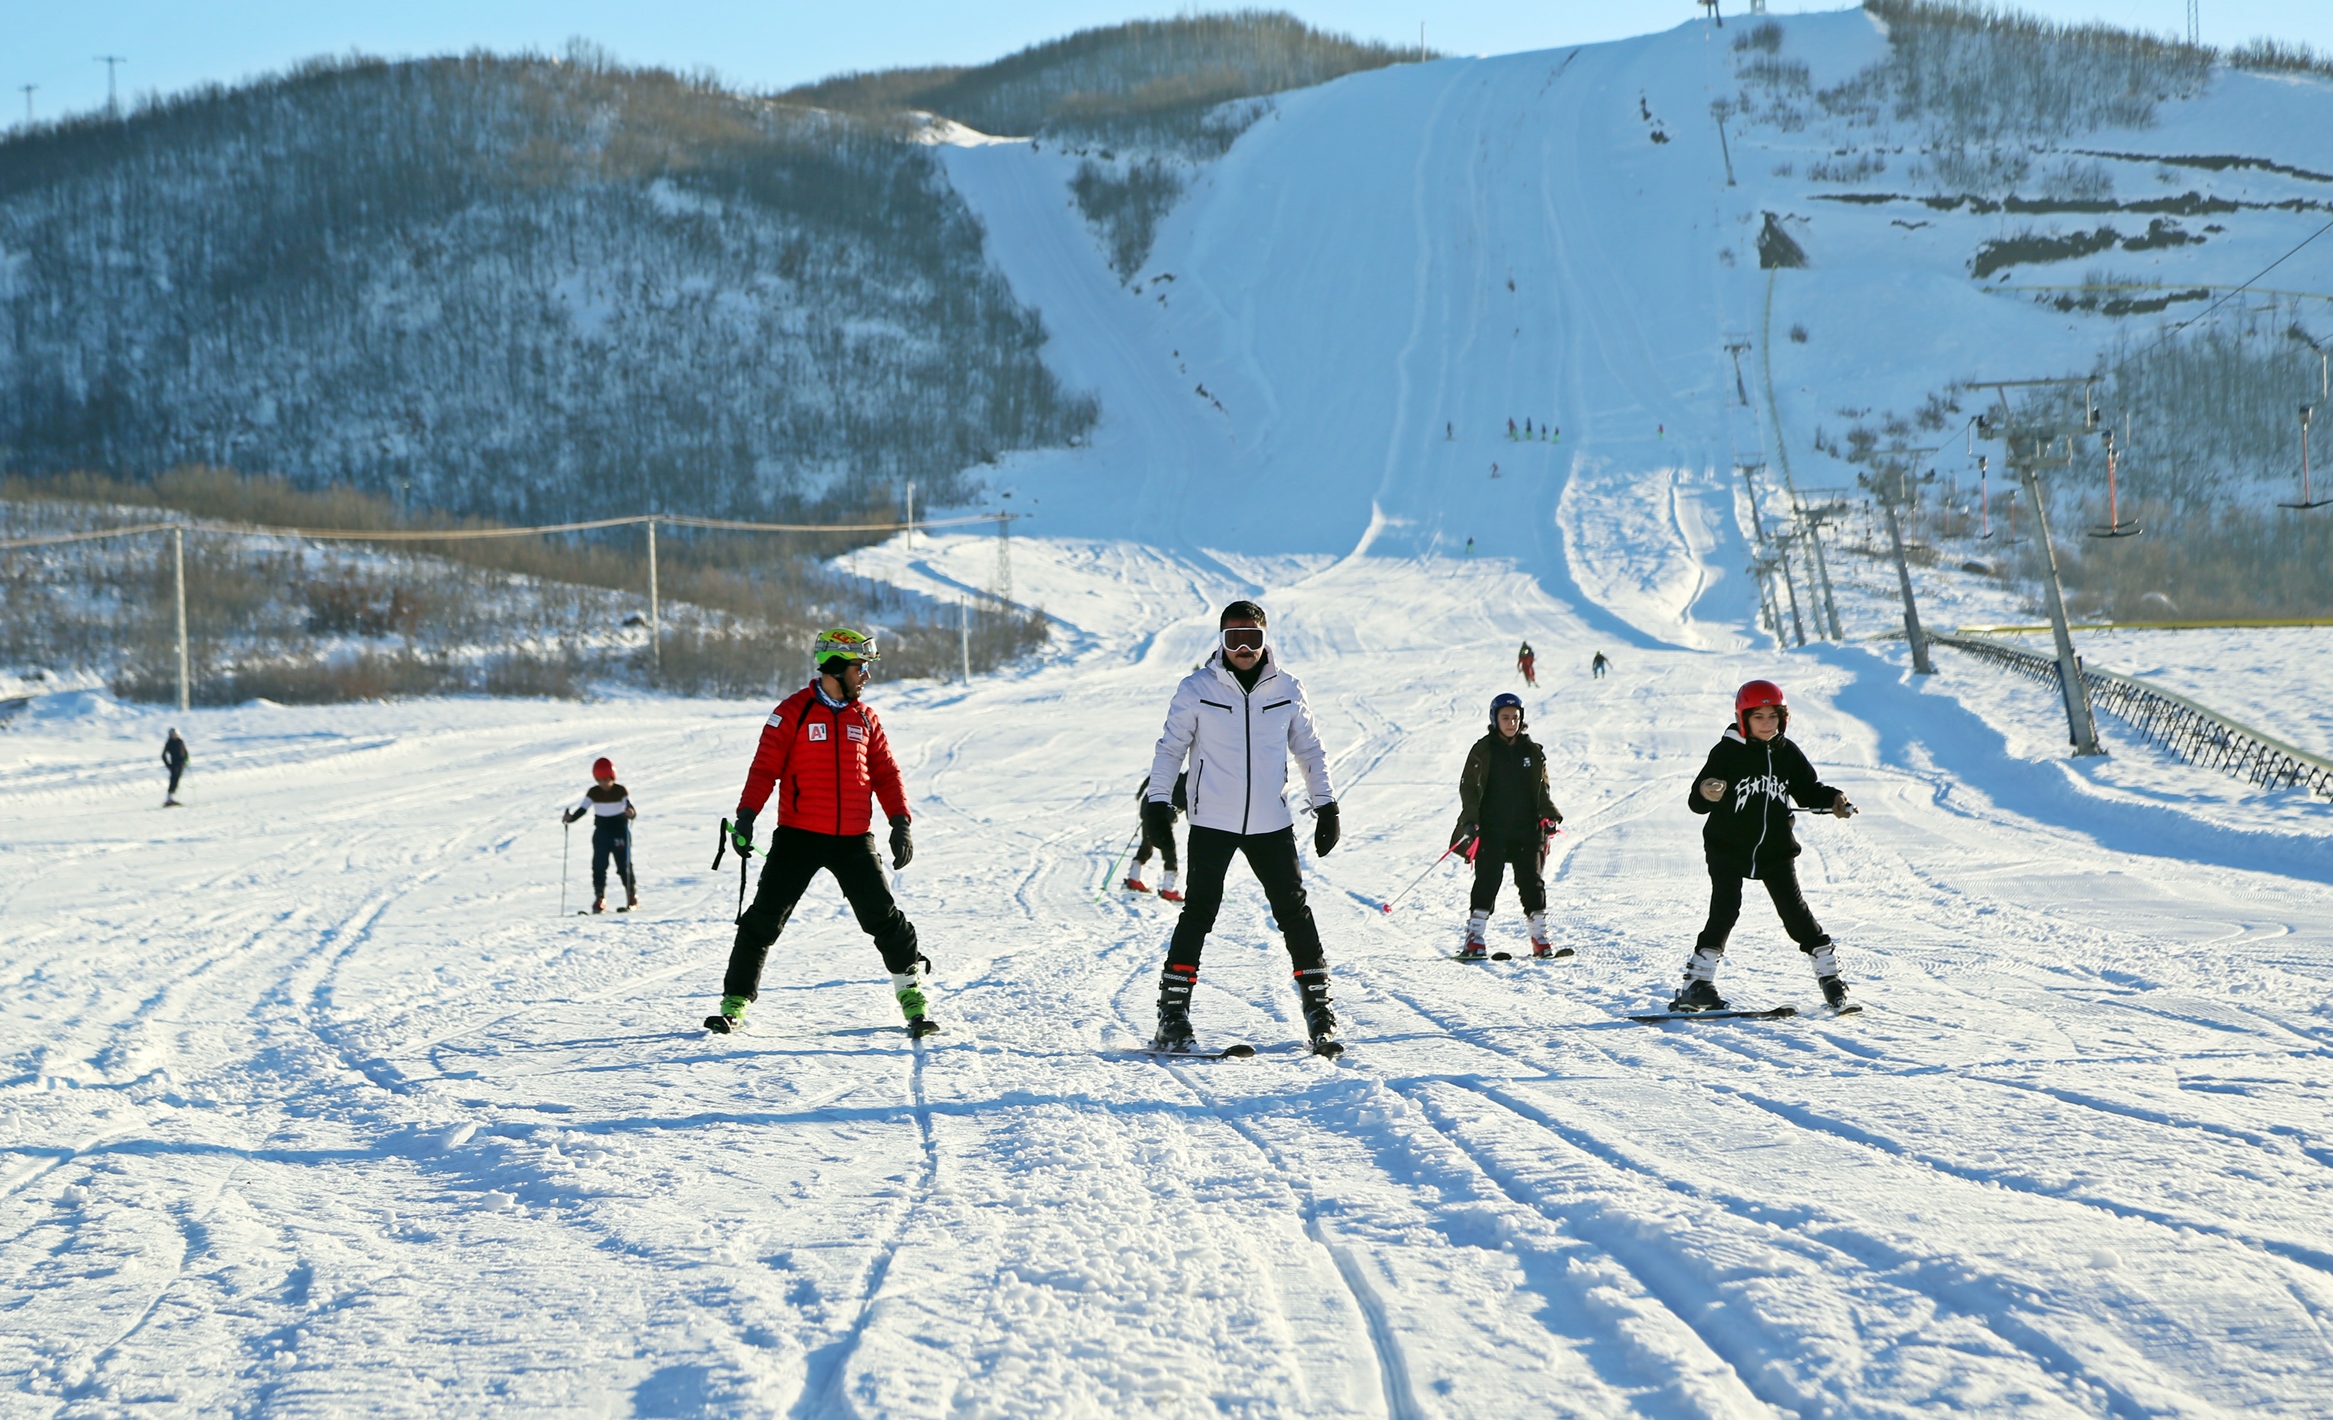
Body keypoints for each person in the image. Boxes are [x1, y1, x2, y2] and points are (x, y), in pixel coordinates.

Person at [706, 628, 931, 1037]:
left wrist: (900, 822)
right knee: (762, 921)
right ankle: (734, 1004)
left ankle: (913, 998)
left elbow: (885, 772)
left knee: (883, 918)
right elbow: (764, 768)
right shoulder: (792, 711)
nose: (865, 677)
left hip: (853, 839)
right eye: (859, 668)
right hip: (798, 836)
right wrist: (746, 816)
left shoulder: (865, 717)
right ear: (833, 667)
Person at [1144, 600, 1343, 1056]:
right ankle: (1172, 1014)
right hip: (1213, 819)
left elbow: (1310, 751)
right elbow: (1170, 748)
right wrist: (1158, 802)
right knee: (1199, 911)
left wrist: (1326, 805)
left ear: (1264, 639)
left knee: (1293, 910)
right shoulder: (1197, 688)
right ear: (1221, 640)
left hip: (1271, 822)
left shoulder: (1288, 689)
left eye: (1252, 638)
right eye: (1235, 638)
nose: (1244, 647)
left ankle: (1318, 1010)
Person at [1676, 680, 1856, 1012]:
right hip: (1727, 846)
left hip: (1775, 849)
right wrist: (1707, 792)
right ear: (1743, 718)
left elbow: (1808, 790)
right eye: (1758, 717)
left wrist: (1834, 799)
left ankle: (1830, 978)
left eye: (1773, 716)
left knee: (1796, 914)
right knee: (1725, 910)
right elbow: (1697, 802)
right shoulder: (1727, 751)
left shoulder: (1787, 753)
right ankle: (1696, 984)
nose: (1767, 724)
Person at [1449, 693, 1565, 959]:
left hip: (1527, 828)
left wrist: (1548, 817)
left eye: (1515, 717)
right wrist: (1470, 820)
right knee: (1488, 880)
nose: (1511, 722)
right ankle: (1474, 939)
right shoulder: (1483, 750)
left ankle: (1540, 939)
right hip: (1492, 828)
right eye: (1505, 717)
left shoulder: (1532, 752)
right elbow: (1469, 788)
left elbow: (1542, 790)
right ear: (1495, 719)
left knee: (1532, 882)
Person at [562, 757, 638, 913]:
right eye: (600, 780)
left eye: (606, 779)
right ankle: (600, 898)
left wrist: (631, 813)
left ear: (612, 777)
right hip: (602, 832)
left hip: (620, 831)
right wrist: (571, 819)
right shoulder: (593, 792)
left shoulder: (620, 791)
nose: (603, 783)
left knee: (624, 865)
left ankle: (631, 897)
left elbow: (629, 807)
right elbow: (583, 809)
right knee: (598, 866)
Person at [1125, 770, 1187, 900]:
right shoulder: (1192, 786)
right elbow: (1193, 811)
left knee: (1147, 843)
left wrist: (1140, 793)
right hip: (1164, 815)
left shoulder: (1172, 775)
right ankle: (1168, 889)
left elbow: (1153, 776)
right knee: (1168, 850)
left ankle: (1134, 878)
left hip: (1148, 807)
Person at [161, 729, 189, 807]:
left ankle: (172, 798)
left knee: (177, 781)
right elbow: (163, 755)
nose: (174, 736)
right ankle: (169, 799)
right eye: (172, 735)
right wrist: (168, 765)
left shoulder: (180, 742)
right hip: (174, 765)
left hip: (181, 764)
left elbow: (185, 751)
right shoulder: (169, 743)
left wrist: (187, 759)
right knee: (173, 781)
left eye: (175, 734)